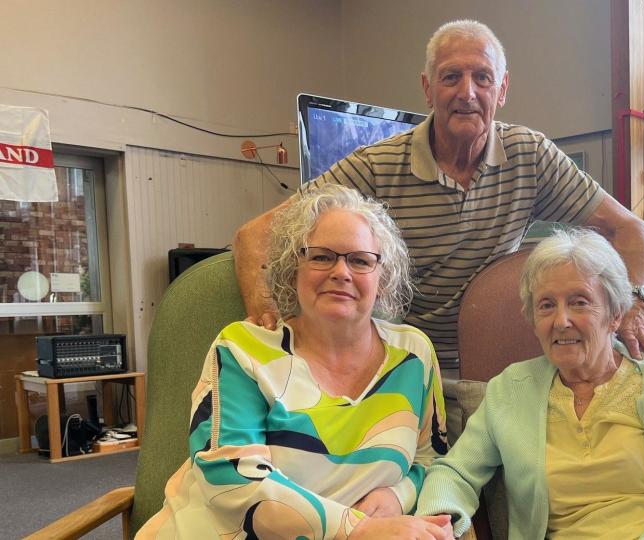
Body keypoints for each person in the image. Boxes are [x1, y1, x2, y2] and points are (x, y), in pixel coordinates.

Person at [234, 20, 644, 373]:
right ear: (428, 89)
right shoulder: (375, 165)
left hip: (502, 367)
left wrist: (638, 305)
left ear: (501, 91)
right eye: (451, 77)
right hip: (408, 367)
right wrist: (265, 310)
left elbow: (627, 228)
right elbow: (254, 235)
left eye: (482, 77)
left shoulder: (531, 155)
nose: (467, 92)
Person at [139, 184, 452, 540]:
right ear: (293, 270)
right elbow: (229, 480)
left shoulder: (414, 355)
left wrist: (397, 496)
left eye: (360, 260)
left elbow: (432, 458)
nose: (341, 272)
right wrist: (358, 529)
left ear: (383, 278)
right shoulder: (243, 349)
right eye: (321, 257)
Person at [415, 229, 644, 539]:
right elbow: (455, 472)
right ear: (533, 320)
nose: (561, 321)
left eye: (579, 302)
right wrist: (438, 519)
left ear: (615, 314)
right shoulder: (510, 389)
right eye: (546, 305)